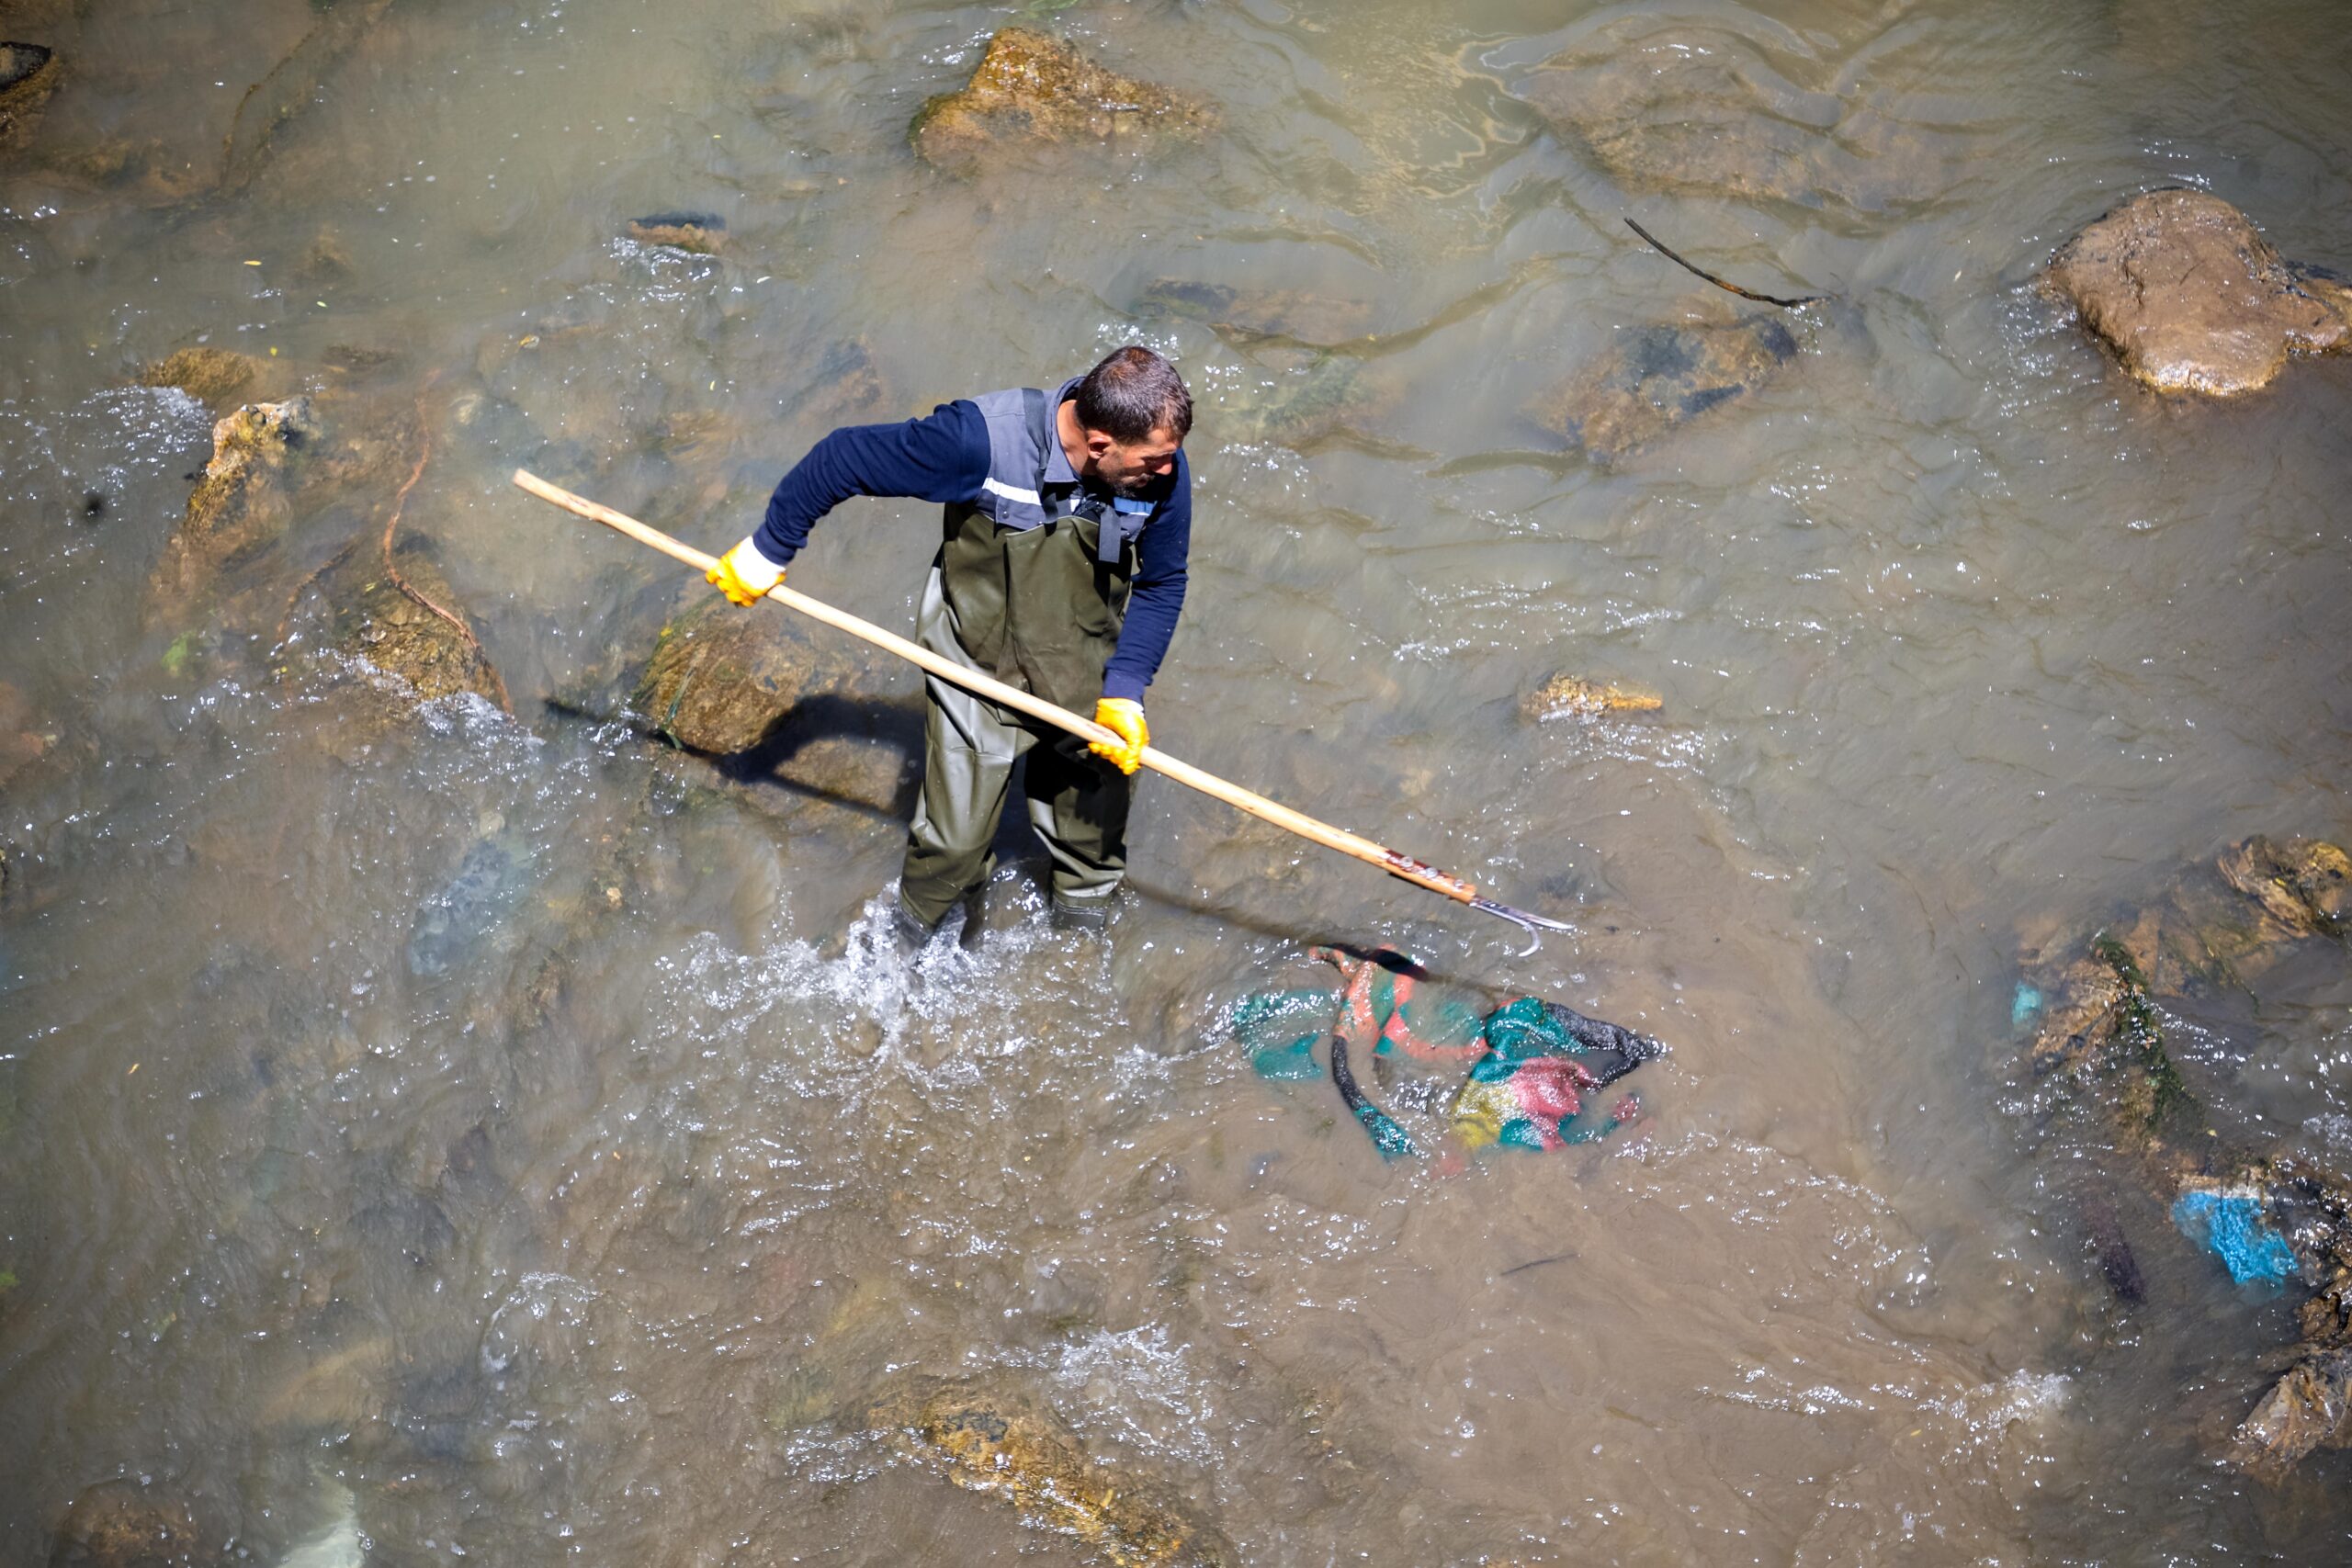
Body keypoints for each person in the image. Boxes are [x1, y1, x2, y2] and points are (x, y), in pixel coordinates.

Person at [707, 345, 1193, 950]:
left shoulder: (1158, 470)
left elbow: (1162, 580)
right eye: (1154, 460)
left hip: (1083, 668)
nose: (1168, 472)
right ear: (1099, 443)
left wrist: (1125, 690)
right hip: (975, 663)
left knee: (1093, 833)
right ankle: (906, 941)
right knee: (953, 845)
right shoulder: (979, 444)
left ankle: (1079, 940)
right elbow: (843, 458)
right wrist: (770, 547)